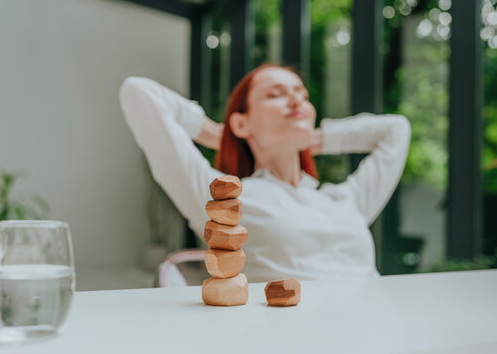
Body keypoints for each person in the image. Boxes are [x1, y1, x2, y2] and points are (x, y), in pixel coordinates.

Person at [119, 64, 411, 282]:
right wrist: (218, 135)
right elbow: (139, 92)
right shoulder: (225, 202)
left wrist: (309, 139)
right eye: (276, 94)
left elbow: (396, 129)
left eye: (301, 94)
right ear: (242, 124)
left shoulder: (344, 199)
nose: (297, 100)